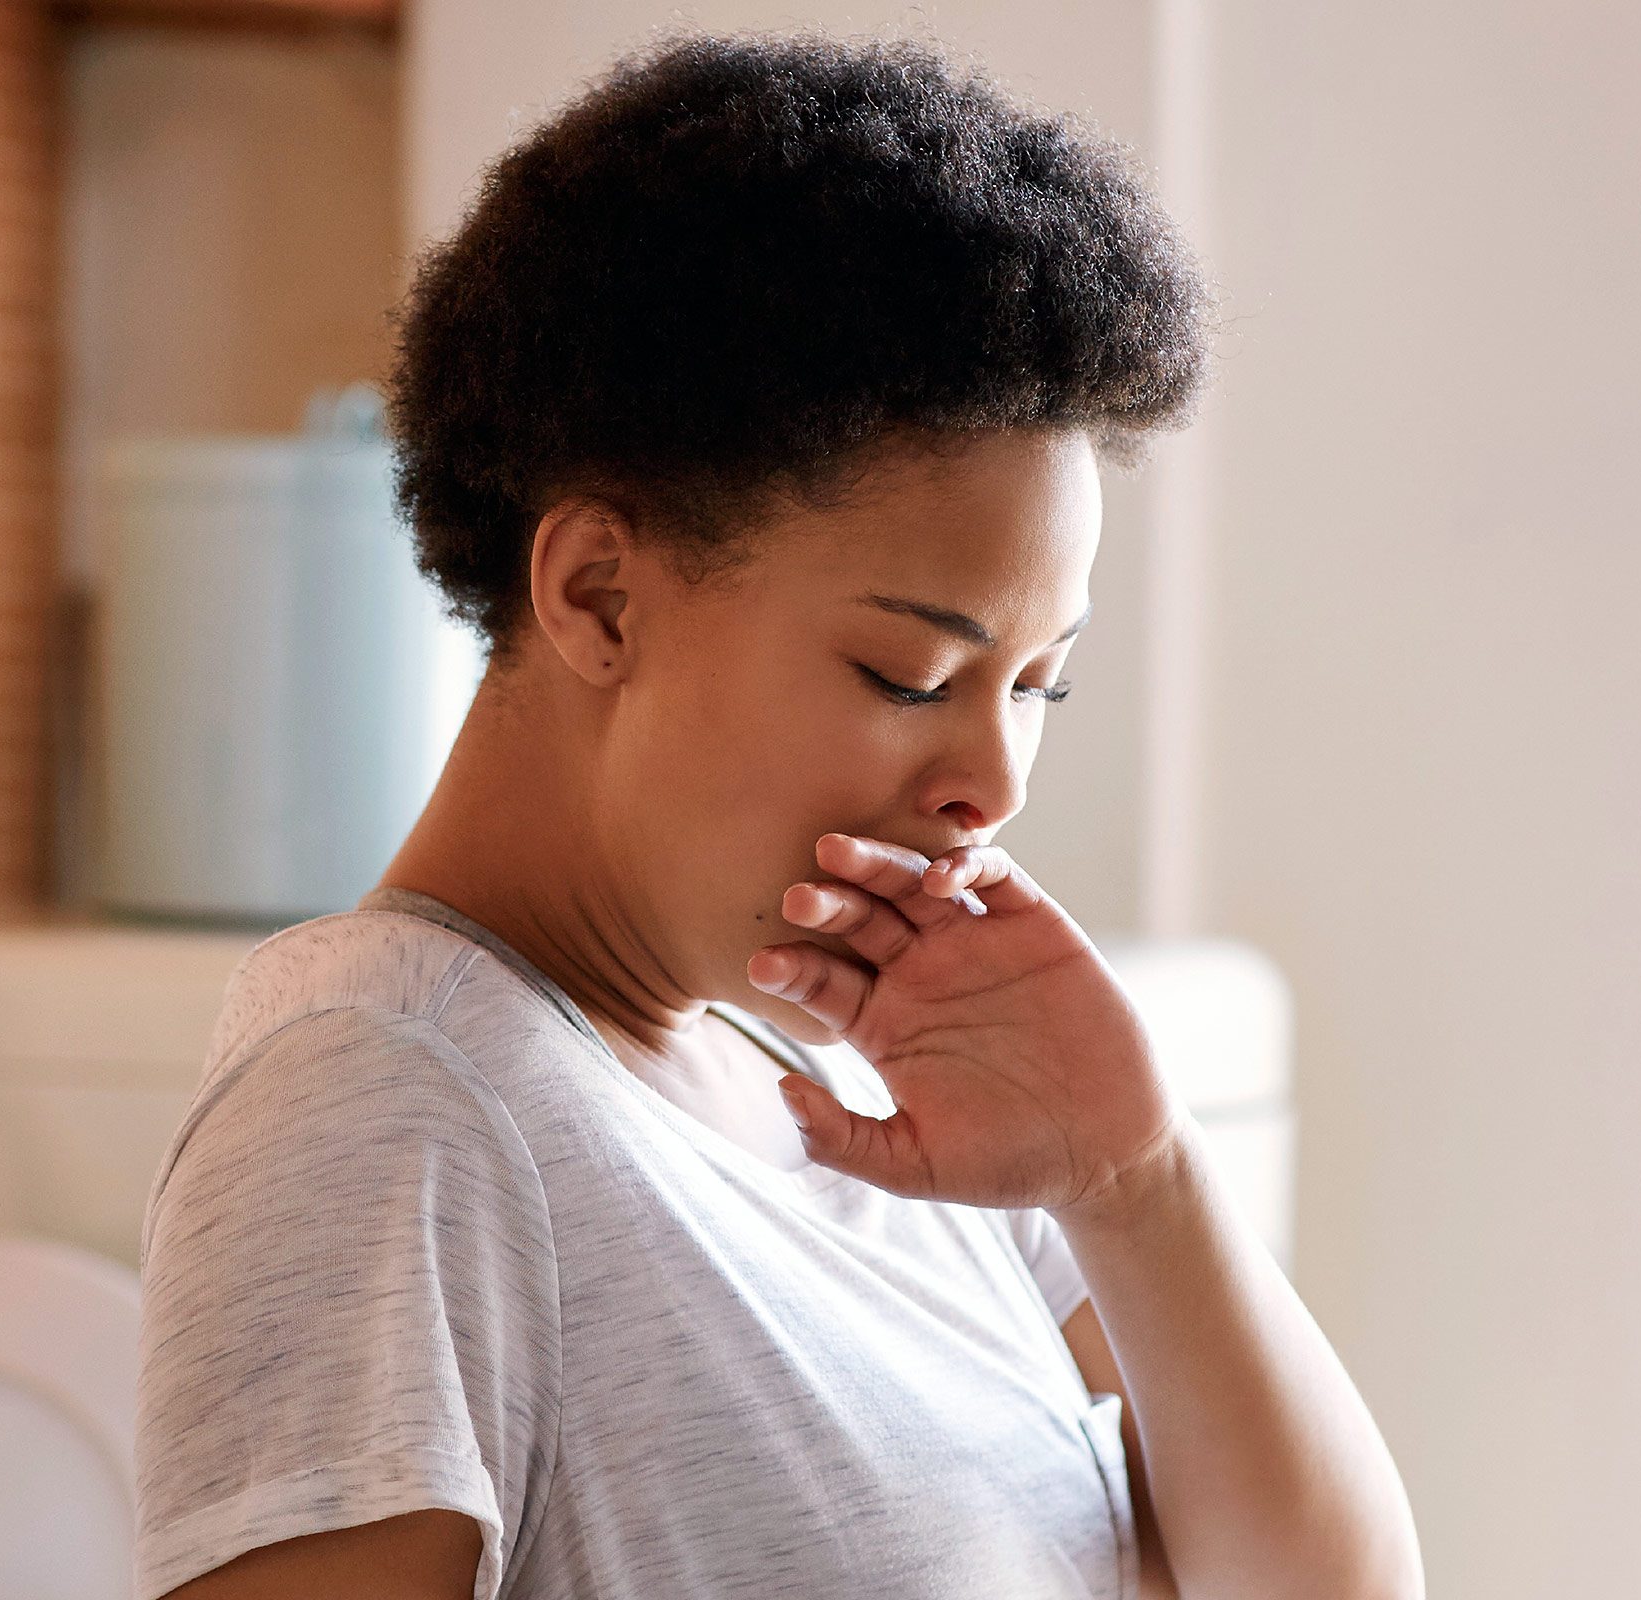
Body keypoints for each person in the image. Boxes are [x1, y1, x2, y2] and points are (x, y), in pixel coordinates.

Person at [133, 25, 1422, 1600]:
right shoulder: (383, 1106)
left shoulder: (865, 1103)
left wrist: (1133, 1180)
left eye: (1039, 685)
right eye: (908, 671)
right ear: (600, 596)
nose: (996, 783)